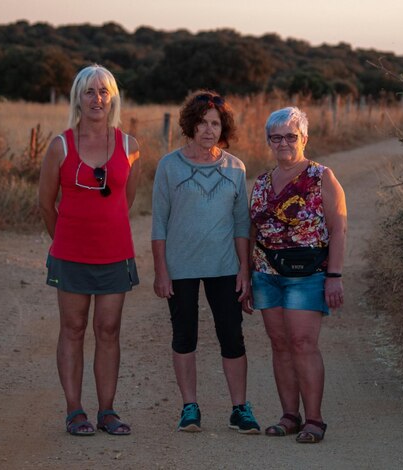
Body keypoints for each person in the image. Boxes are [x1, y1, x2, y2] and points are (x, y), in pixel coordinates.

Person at [38, 64, 141, 436]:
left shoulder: (129, 146)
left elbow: (124, 201)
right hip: (71, 255)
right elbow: (46, 204)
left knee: (109, 329)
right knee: (73, 328)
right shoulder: (60, 144)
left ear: (112, 97)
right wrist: (65, 240)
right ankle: (74, 411)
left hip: (115, 253)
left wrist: (102, 232)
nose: (97, 99)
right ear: (77, 98)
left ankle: (108, 411)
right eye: (89, 92)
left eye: (103, 91)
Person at [151, 90, 260, 434]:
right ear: (190, 125)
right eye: (201, 122)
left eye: (214, 123)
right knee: (184, 336)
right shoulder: (169, 166)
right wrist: (161, 271)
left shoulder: (235, 168)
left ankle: (240, 408)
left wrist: (245, 270)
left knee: (232, 336)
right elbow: (158, 223)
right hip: (180, 267)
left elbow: (242, 225)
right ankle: (189, 407)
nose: (208, 129)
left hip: (225, 267)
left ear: (222, 127)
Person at [249, 107, 347, 443]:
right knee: (279, 345)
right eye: (276, 137)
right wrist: (246, 273)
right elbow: (251, 230)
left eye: (291, 136)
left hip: (308, 275)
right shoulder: (261, 182)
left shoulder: (322, 177)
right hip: (266, 273)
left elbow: (339, 228)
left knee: (303, 344)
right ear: (268, 142)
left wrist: (334, 275)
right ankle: (289, 415)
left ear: (304, 138)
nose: (283, 143)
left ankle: (315, 420)